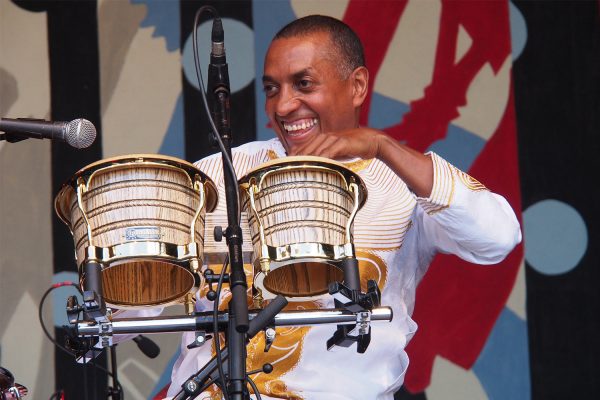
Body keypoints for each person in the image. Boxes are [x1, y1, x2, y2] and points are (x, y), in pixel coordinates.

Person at [161, 15, 521, 400]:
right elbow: (128, 304)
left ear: (358, 85)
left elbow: (498, 238)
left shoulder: (403, 182)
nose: (283, 106)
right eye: (272, 89)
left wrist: (386, 147)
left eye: (303, 84)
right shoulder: (216, 175)